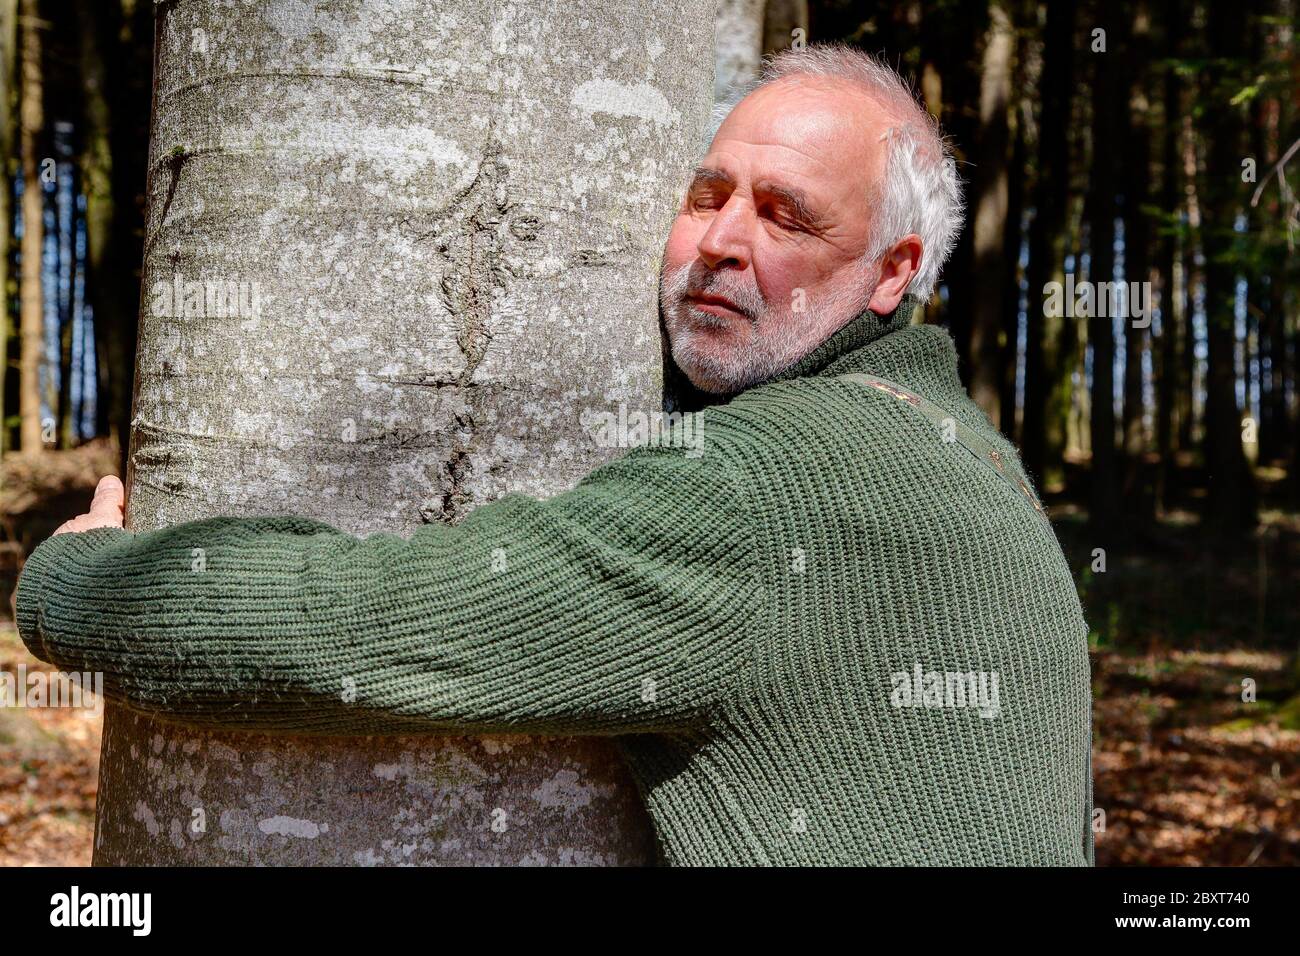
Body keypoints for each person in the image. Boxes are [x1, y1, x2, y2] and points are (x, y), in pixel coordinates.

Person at [15, 43, 1092, 866]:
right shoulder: (973, 460)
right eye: (707, 195)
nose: (721, 240)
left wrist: (78, 586)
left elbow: (377, 623)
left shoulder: (769, 483)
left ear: (893, 270)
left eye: (785, 216)